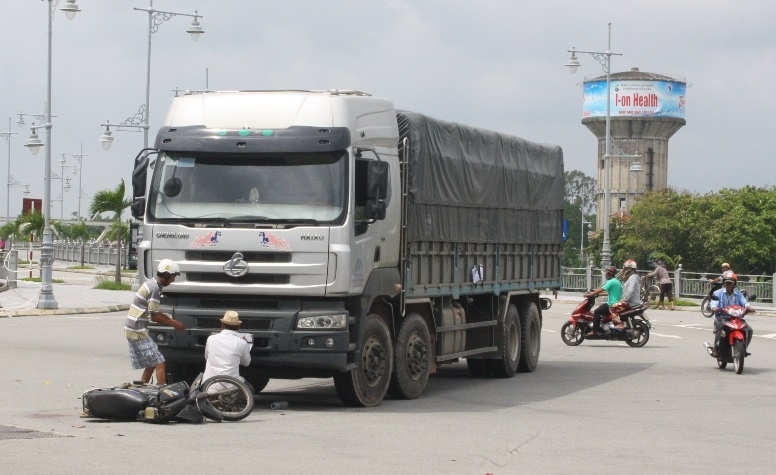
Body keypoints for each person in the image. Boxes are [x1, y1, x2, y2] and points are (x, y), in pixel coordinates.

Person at [125, 259, 185, 385]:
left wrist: (171, 319)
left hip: (134, 328)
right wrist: (175, 324)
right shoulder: (154, 289)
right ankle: (163, 391)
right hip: (137, 330)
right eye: (173, 276)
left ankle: (142, 387)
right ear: (167, 275)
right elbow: (155, 317)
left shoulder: (152, 284)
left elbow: (155, 311)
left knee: (152, 362)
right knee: (159, 361)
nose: (174, 280)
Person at [709, 273, 754, 356]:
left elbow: (745, 302)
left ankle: (743, 349)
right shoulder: (718, 293)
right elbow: (714, 303)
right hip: (722, 317)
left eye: (730, 283)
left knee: (749, 330)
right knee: (721, 328)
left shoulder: (738, 294)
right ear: (724, 283)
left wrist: (749, 307)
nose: (728, 285)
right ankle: (715, 347)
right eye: (727, 283)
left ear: (734, 284)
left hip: (736, 317)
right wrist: (714, 307)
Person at [202, 310, 252, 382]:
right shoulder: (242, 342)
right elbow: (246, 363)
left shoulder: (211, 339)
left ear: (222, 325)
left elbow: (206, 357)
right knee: (250, 389)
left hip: (209, 385)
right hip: (231, 386)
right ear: (238, 327)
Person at [584, 266, 622, 334]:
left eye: (606, 273)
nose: (605, 275)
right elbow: (610, 292)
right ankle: (603, 327)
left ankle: (595, 330)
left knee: (597, 311)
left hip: (612, 304)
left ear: (609, 274)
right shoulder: (617, 281)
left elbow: (601, 289)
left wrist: (591, 294)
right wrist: (599, 295)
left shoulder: (611, 282)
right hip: (616, 303)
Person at [609, 259, 643, 329]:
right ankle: (624, 321)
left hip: (631, 302)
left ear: (632, 269)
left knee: (613, 307)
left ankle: (618, 324)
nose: (625, 270)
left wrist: (624, 299)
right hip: (631, 301)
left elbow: (630, 291)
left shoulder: (633, 278)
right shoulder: (632, 277)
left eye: (627, 269)